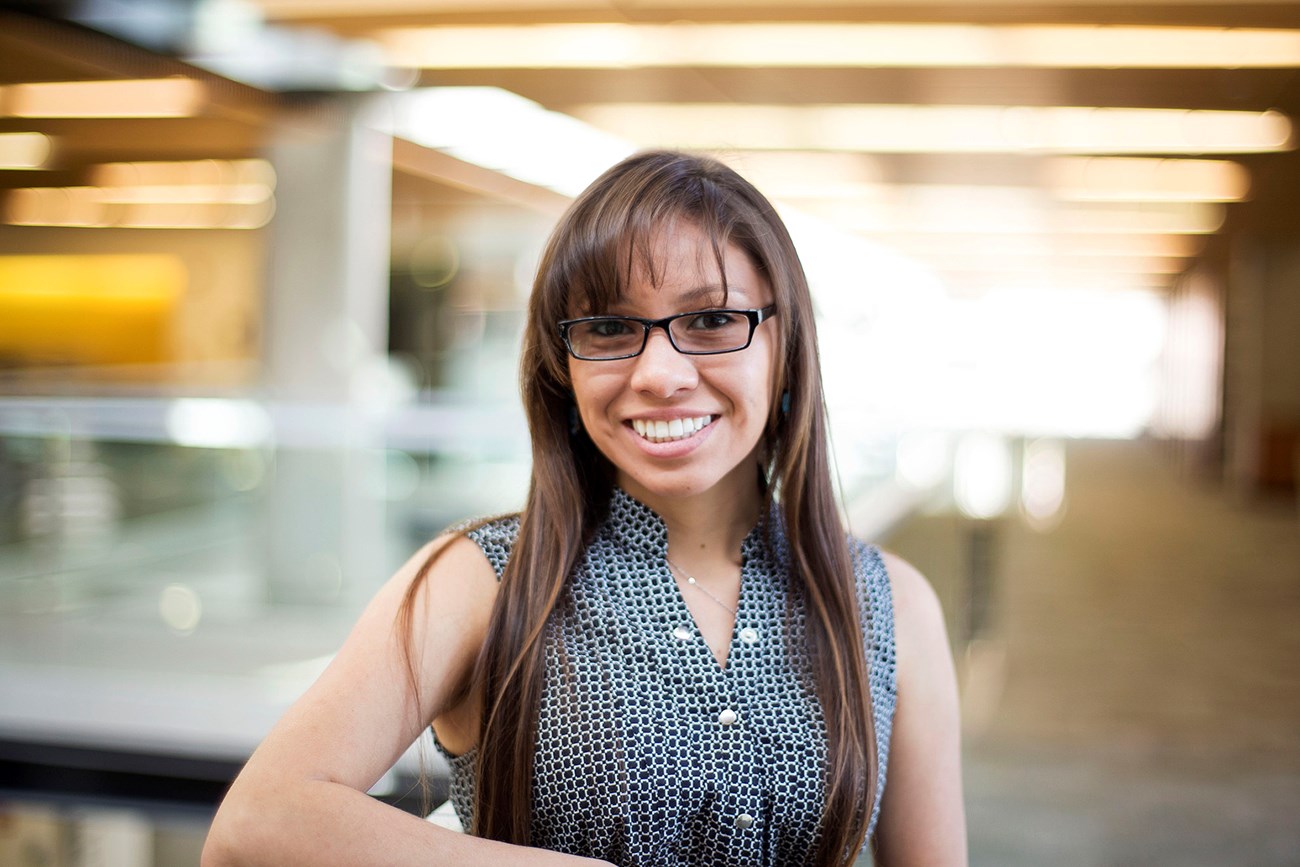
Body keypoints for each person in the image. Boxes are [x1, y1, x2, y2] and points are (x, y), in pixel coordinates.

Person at [202, 150, 966, 866]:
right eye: (608, 327)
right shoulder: (483, 579)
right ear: (562, 365)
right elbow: (255, 823)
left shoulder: (886, 601)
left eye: (709, 321)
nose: (660, 373)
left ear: (784, 341)